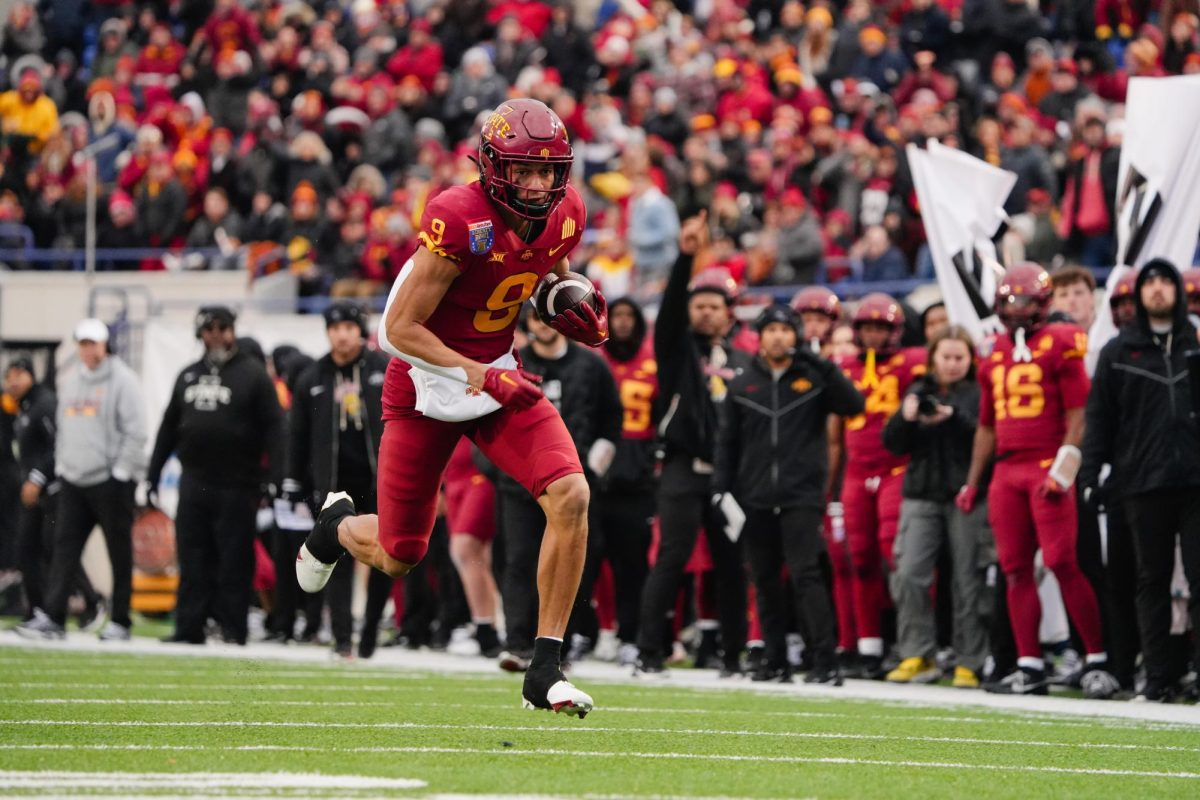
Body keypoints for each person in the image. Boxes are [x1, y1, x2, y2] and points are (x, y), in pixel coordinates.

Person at [294, 98, 605, 717]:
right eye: (524, 171)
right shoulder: (459, 216)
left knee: (570, 494)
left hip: (496, 377)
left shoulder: (566, 212)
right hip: (426, 387)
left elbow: (546, 270)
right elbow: (396, 330)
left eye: (549, 172)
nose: (540, 185)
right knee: (399, 555)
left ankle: (543, 668)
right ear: (493, 167)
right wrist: (480, 376)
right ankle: (334, 528)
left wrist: (565, 297)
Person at [957, 262, 1118, 698]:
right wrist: (973, 480)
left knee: (1064, 562)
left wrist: (1064, 469)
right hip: (1007, 470)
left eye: (1025, 299)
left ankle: (1096, 658)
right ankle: (1028, 662)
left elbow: (1078, 414)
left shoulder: (1062, 340)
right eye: (1011, 300)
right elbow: (986, 426)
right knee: (1013, 569)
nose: (1018, 307)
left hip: (1046, 463)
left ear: (1043, 302)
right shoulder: (991, 350)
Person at [714, 304, 863, 684]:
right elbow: (727, 444)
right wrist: (721, 491)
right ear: (760, 337)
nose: (779, 336)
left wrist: (821, 362)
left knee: (806, 575)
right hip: (755, 496)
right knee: (763, 580)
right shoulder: (742, 382)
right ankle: (775, 660)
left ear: (796, 336)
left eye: (786, 329)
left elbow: (853, 405)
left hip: (802, 496)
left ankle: (824, 661)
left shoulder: (814, 377)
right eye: (771, 329)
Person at [635, 212, 751, 678]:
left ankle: (733, 657)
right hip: (683, 467)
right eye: (697, 304)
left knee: (731, 565)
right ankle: (647, 654)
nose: (704, 311)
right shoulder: (675, 352)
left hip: (730, 474)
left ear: (730, 313)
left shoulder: (745, 361)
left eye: (714, 304)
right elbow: (666, 314)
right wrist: (685, 257)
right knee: (672, 559)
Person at [1081, 259, 1200, 701]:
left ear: (1178, 291)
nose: (1156, 289)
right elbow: (1100, 421)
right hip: (1141, 482)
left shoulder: (1196, 342)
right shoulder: (1117, 351)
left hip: (1194, 481)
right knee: (1150, 581)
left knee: (1199, 576)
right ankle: (1159, 678)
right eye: (1149, 281)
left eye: (1165, 280)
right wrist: (1089, 474)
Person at [147, 306, 284, 645]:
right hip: (194, 481)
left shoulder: (252, 374)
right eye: (211, 328)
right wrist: (152, 475)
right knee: (193, 557)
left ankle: (233, 629)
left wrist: (278, 476)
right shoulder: (188, 374)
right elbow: (168, 427)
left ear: (233, 331)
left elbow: (275, 429)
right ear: (200, 334)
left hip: (238, 482)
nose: (218, 334)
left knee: (234, 559)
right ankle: (189, 628)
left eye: (224, 327)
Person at [495, 308, 622, 670]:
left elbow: (612, 423)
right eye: (534, 319)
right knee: (518, 561)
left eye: (547, 318)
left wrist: (592, 472)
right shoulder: (512, 365)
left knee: (571, 560)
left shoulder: (592, 366)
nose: (541, 325)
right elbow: (487, 418)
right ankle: (517, 643)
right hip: (519, 484)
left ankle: (558, 646)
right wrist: (499, 469)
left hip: (571, 484)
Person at [16, 319, 147, 641]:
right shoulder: (73, 382)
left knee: (119, 552)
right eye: (83, 343)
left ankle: (120, 620)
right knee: (63, 549)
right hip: (74, 480)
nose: (88, 349)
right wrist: (63, 467)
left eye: (93, 343)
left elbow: (136, 432)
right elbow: (63, 432)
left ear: (105, 345)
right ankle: (54, 616)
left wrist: (120, 473)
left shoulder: (123, 381)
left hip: (110, 481)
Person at [883, 326, 992, 688]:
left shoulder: (980, 392)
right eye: (945, 357)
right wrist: (906, 416)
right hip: (921, 493)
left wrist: (955, 418)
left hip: (967, 494)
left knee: (968, 579)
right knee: (909, 573)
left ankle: (970, 659)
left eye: (959, 357)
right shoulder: (918, 390)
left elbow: (988, 437)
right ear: (932, 359)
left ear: (971, 360)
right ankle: (917, 652)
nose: (951, 364)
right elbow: (893, 444)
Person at [284, 301, 392, 659]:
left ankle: (371, 631)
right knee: (336, 557)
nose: (342, 335)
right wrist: (293, 480)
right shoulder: (312, 377)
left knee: (386, 554)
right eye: (335, 328)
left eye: (348, 327)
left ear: (360, 330)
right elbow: (297, 433)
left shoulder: (383, 368)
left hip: (380, 478)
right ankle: (343, 638)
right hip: (332, 482)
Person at [830, 294, 927, 677]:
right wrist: (831, 485)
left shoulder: (912, 362)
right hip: (856, 472)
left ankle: (913, 643)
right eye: (867, 327)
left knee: (898, 556)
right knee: (860, 557)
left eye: (880, 328)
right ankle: (869, 647)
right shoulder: (844, 366)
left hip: (895, 469)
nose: (872, 335)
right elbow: (835, 434)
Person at [596, 296, 658, 665]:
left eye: (627, 316)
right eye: (614, 315)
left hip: (637, 476)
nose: (621, 323)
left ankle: (629, 632)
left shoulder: (653, 362)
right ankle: (600, 630)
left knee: (632, 562)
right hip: (600, 475)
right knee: (596, 561)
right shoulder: (595, 359)